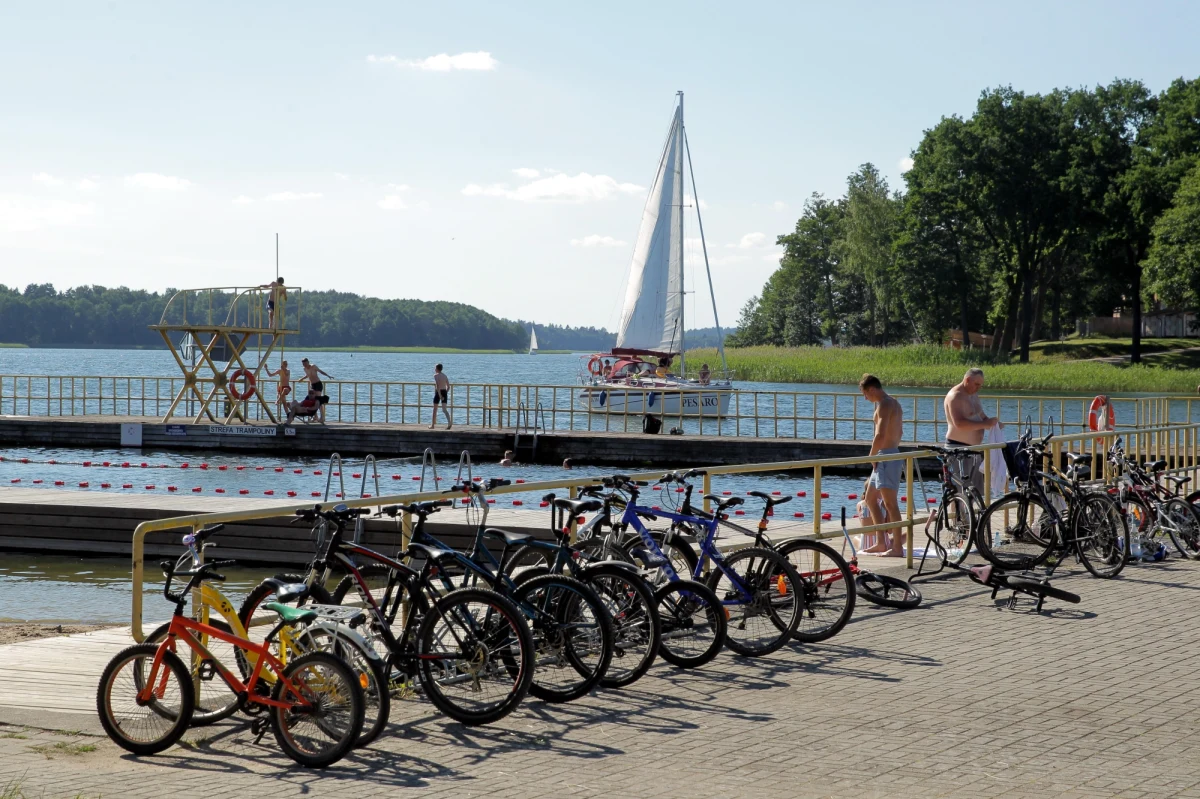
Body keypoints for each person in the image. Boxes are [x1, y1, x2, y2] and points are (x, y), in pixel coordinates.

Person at [859, 374, 905, 557]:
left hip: (886, 456)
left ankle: (897, 548)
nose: (865, 398)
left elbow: (880, 434)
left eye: (865, 394)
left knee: (890, 504)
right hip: (885, 455)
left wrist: (871, 456)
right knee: (870, 499)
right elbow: (899, 431)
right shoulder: (894, 402)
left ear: (872, 389)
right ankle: (880, 542)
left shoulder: (886, 404)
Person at [944, 367, 1000, 497]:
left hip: (975, 449)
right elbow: (959, 423)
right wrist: (984, 424)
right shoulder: (955, 396)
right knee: (959, 490)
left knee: (977, 490)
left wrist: (992, 423)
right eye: (976, 384)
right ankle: (958, 517)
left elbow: (981, 415)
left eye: (980, 385)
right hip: (958, 448)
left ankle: (976, 517)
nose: (978, 388)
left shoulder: (973, 395)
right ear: (967, 380)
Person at [299, 358, 334, 423]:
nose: (304, 365)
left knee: (318, 401)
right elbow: (307, 375)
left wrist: (328, 376)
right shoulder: (304, 369)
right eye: (303, 364)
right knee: (312, 401)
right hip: (312, 385)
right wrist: (302, 379)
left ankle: (322, 417)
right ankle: (315, 417)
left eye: (305, 363)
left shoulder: (313, 366)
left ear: (308, 362)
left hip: (318, 384)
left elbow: (320, 371)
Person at [430, 363, 451, 429]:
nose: (434, 369)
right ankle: (449, 422)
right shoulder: (445, 376)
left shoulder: (436, 376)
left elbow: (438, 387)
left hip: (439, 392)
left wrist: (440, 395)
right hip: (444, 391)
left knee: (435, 409)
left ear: (437, 369)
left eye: (435, 368)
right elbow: (448, 387)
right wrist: (445, 393)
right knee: (444, 409)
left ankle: (432, 425)